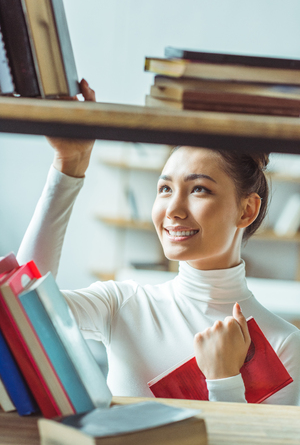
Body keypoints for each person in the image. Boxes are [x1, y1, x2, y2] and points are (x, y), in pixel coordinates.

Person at [17, 80, 300, 405]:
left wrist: (224, 381)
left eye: (199, 190)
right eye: (165, 189)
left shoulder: (283, 345)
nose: (173, 210)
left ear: (247, 209)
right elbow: (23, 309)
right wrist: (70, 166)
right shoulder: (121, 304)